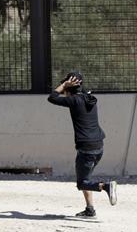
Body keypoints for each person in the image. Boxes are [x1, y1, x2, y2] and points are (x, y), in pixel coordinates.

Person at [47, 72, 118, 217]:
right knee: (86, 178)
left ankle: (106, 186)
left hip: (86, 148)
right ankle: (90, 209)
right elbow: (80, 92)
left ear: (69, 88)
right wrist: (72, 85)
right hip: (98, 145)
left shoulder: (73, 100)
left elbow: (52, 97)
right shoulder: (90, 98)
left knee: (82, 183)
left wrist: (64, 85)